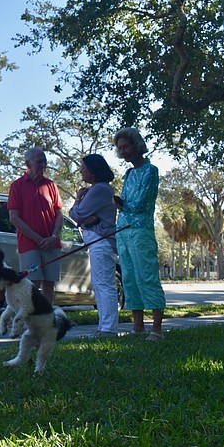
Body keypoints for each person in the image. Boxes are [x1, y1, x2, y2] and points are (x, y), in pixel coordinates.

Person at [113, 127, 165, 340]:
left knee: (147, 276)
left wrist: (118, 202)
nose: (123, 151)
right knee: (130, 278)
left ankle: (157, 329)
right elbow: (126, 204)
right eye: (119, 148)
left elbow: (141, 203)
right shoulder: (129, 173)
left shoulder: (150, 170)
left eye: (126, 146)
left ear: (137, 145)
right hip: (123, 231)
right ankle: (137, 327)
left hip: (141, 231)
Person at [69, 154, 119, 337]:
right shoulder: (97, 190)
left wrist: (77, 201)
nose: (81, 170)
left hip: (101, 242)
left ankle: (108, 329)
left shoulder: (99, 189)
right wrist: (84, 219)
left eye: (83, 167)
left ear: (93, 171)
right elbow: (81, 218)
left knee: (104, 284)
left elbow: (76, 214)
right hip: (97, 242)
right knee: (99, 284)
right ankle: (104, 326)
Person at [7, 147, 63, 303]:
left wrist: (53, 236)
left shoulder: (51, 185)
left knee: (49, 283)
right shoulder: (17, 186)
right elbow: (14, 218)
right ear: (27, 163)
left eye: (44, 161)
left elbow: (59, 214)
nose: (43, 164)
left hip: (51, 243)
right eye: (39, 161)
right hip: (29, 244)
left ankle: (47, 320)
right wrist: (38, 239)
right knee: (32, 283)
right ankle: (29, 321)